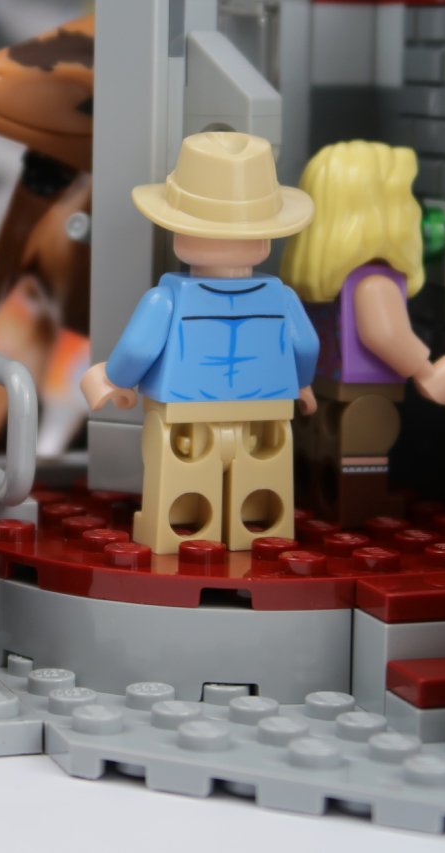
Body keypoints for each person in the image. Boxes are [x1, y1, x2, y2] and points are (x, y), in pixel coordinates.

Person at [81, 132, 319, 553]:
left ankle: (183, 538)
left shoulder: (167, 299)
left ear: (181, 230)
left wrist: (114, 379)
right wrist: (301, 384)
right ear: (265, 237)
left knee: (183, 488)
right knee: (262, 487)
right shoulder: (281, 298)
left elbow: (137, 350)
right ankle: (261, 533)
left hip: (185, 414)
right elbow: (306, 347)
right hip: (265, 413)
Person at [280, 140, 445, 527]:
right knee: (362, 452)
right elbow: (384, 334)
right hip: (362, 388)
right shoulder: (374, 280)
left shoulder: (314, 280)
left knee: (316, 449)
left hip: (320, 382)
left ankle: (316, 499)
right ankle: (359, 507)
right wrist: (428, 372)